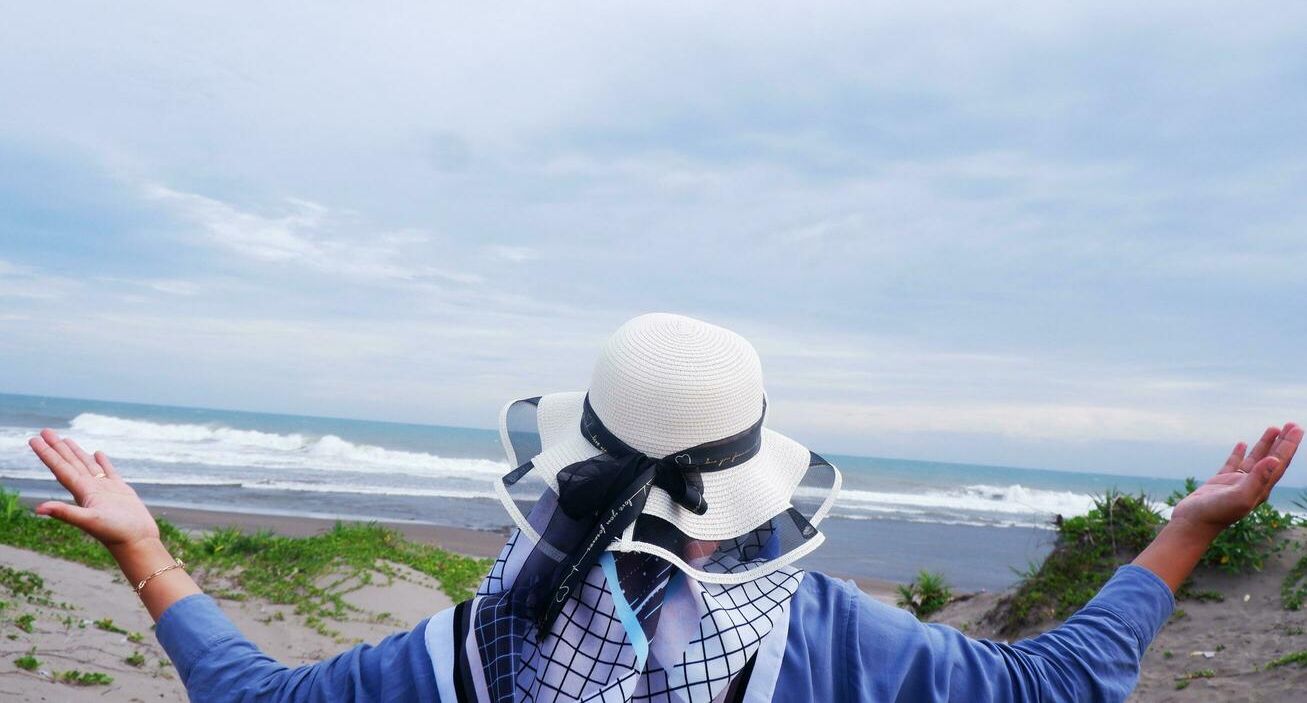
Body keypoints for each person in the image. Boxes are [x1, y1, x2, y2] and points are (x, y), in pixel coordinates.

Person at [27, 313, 1302, 702]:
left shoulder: (479, 647)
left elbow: (256, 699)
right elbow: (1057, 687)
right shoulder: (825, 640)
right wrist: (1186, 527)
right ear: (753, 483)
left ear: (574, 460)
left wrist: (147, 552)